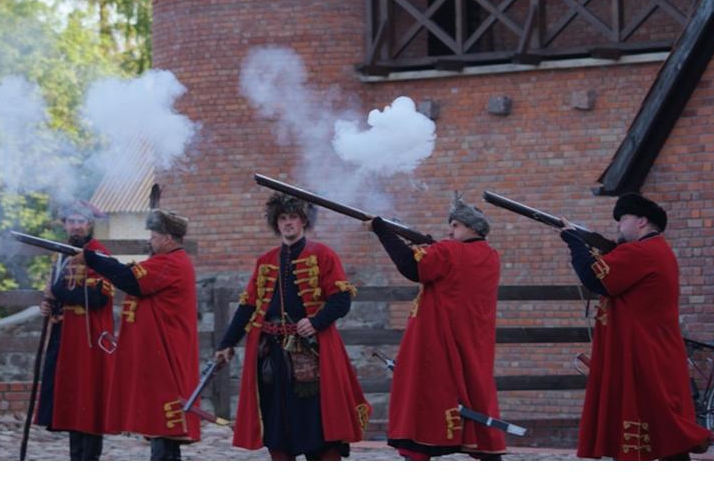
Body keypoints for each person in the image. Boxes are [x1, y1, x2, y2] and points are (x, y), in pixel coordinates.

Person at [215, 193, 370, 460]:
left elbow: (342, 300)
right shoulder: (266, 260)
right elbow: (248, 306)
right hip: (270, 353)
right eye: (283, 218)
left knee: (314, 418)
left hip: (311, 350)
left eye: (293, 218)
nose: (288, 223)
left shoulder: (323, 255)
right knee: (276, 416)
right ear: (276, 223)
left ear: (303, 221)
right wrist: (227, 343)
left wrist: (316, 322)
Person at [561, 192, 711, 460]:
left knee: (659, 426)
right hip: (649, 350)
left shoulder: (642, 252)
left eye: (624, 218)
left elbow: (595, 279)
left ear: (642, 222)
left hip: (642, 354)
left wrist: (575, 244)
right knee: (663, 429)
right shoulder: (654, 250)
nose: (619, 225)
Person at [366, 193, 505, 460]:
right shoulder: (491, 255)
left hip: (435, 342)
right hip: (471, 342)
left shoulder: (448, 250)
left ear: (471, 226)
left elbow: (411, 268)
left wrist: (383, 231)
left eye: (455, 225)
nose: (450, 230)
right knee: (475, 396)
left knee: (423, 401)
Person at [84, 208, 201, 460]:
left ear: (168, 238)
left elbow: (129, 279)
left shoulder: (169, 262)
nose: (150, 240)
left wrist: (92, 258)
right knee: (159, 426)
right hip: (160, 353)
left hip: (166, 354)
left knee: (162, 425)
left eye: (154, 236)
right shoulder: (168, 262)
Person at [35, 201, 116, 460]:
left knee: (88, 400)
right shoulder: (61, 255)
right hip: (66, 337)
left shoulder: (98, 253)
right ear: (64, 225)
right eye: (71, 221)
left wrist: (58, 292)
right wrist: (50, 305)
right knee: (71, 398)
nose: (76, 226)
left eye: (81, 221)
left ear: (89, 224)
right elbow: (58, 292)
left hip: (88, 339)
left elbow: (99, 296)